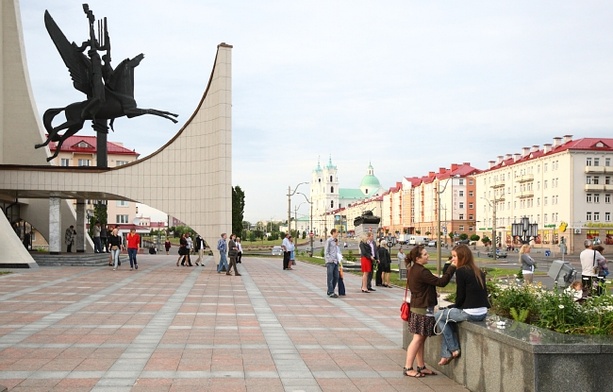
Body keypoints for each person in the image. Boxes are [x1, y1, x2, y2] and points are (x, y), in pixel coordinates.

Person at [403, 245, 456, 377]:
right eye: (425, 254)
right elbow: (442, 282)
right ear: (418, 258)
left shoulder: (414, 269)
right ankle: (408, 367)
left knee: (421, 338)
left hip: (418, 306)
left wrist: (431, 293)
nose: (428, 256)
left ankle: (421, 366)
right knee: (417, 339)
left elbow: (422, 287)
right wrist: (452, 266)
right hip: (422, 309)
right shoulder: (422, 271)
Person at [434, 244, 489, 366]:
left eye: (454, 256)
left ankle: (453, 349)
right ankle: (446, 355)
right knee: (448, 319)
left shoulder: (461, 271)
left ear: (462, 257)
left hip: (470, 313)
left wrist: (452, 307)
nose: (452, 259)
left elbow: (460, 296)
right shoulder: (478, 271)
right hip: (482, 313)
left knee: (438, 316)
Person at [324, 229, 340, 298]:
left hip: (336, 261)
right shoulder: (329, 240)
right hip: (330, 262)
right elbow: (326, 251)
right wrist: (329, 259)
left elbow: (336, 250)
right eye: (337, 232)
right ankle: (331, 292)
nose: (338, 233)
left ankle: (331, 290)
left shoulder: (336, 241)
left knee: (336, 276)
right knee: (330, 277)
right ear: (333, 233)